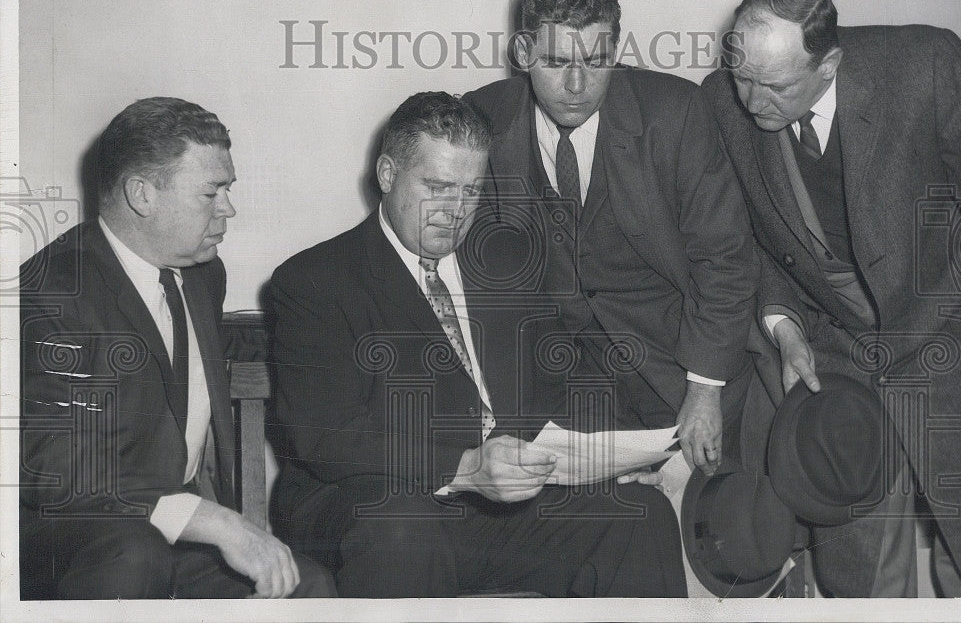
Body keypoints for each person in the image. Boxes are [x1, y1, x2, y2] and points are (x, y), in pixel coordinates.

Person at [269, 91, 687, 597]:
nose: (456, 211)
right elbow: (326, 438)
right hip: (374, 508)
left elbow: (562, 378)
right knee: (403, 524)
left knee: (639, 515)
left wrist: (617, 456)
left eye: (471, 191)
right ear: (386, 174)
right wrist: (467, 467)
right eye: (439, 187)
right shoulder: (314, 281)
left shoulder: (507, 262)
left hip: (496, 514)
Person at [701, 0, 961, 597]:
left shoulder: (928, 68)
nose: (750, 102)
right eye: (741, 75)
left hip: (949, 328)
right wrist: (785, 328)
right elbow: (751, 240)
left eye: (773, 86)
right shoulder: (724, 100)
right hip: (835, 352)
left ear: (828, 65)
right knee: (860, 566)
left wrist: (941, 324)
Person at [20, 97, 334, 599]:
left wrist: (214, 521)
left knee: (307, 586)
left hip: (169, 536)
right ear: (142, 195)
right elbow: (54, 466)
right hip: (71, 540)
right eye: (211, 193)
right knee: (134, 553)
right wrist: (216, 522)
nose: (228, 207)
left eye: (228, 189)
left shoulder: (203, 275)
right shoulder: (53, 291)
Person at [463, 0, 759, 475]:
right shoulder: (482, 120)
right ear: (522, 55)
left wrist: (706, 389)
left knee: (709, 527)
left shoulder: (676, 114)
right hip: (557, 386)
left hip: (678, 365)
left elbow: (726, 258)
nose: (577, 85)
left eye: (597, 61)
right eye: (555, 62)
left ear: (616, 51)